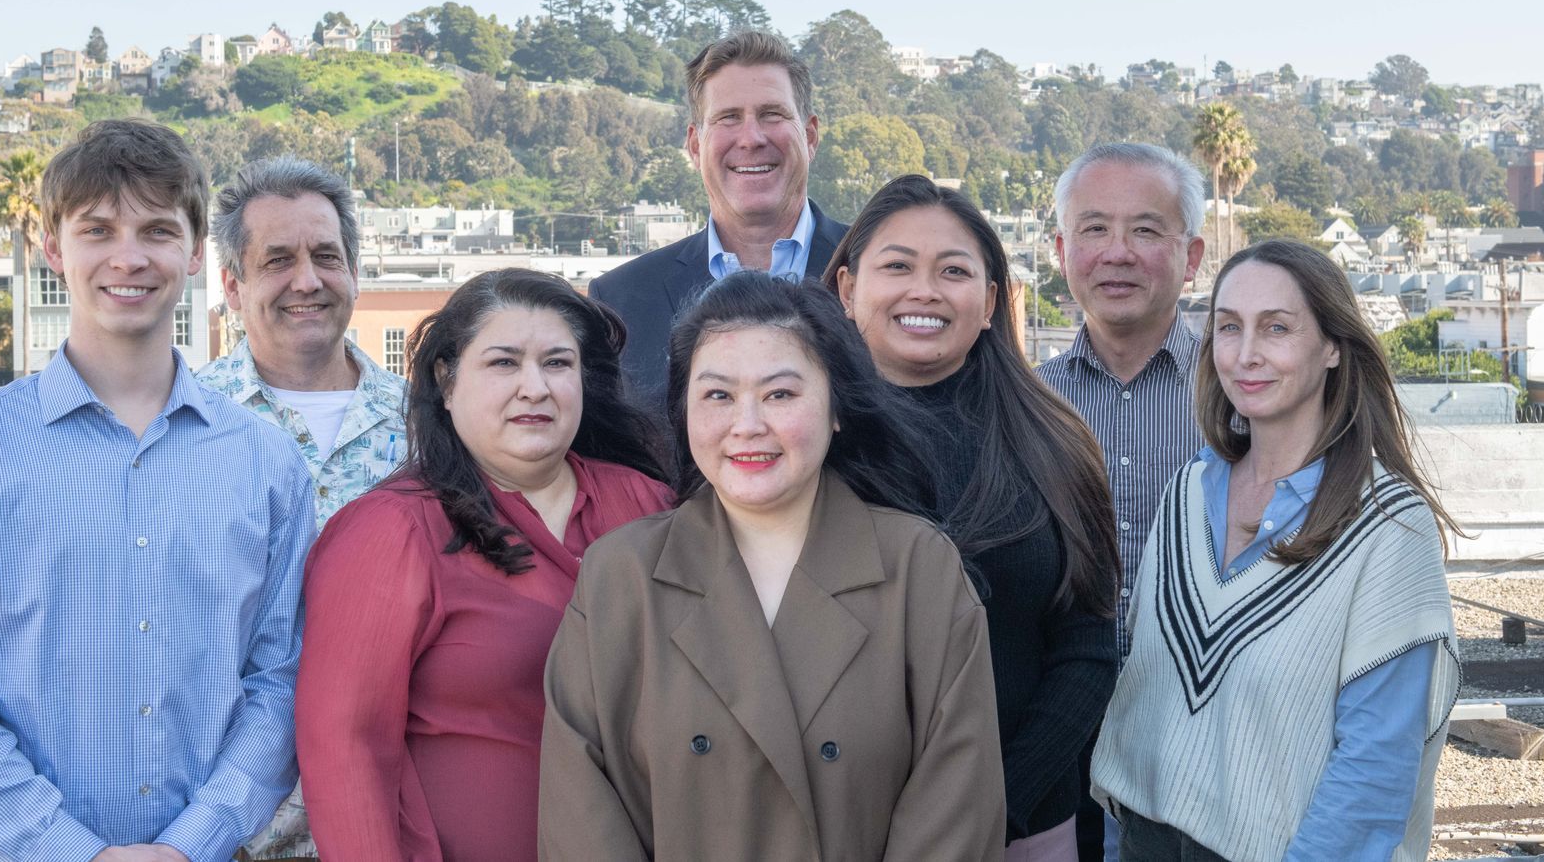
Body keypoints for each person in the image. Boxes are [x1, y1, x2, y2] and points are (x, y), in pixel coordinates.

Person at [0, 119, 315, 862]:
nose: (128, 256)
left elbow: (280, 680)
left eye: (155, 229)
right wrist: (66, 850)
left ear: (192, 251)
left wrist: (192, 842)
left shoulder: (270, 464)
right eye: (98, 229)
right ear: (54, 246)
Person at [539, 271, 1004, 862]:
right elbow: (579, 810)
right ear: (683, 411)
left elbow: (956, 805)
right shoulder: (620, 575)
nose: (747, 424)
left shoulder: (919, 569)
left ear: (837, 408)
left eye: (781, 394)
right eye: (718, 395)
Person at [1092, 239, 1461, 862]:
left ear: (1334, 346)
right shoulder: (1185, 493)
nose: (1246, 354)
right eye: (1229, 327)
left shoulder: (1388, 526)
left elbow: (1373, 770)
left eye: (1278, 328)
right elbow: (1142, 698)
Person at [295, 269, 673, 862]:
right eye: (503, 363)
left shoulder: (648, 506)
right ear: (447, 382)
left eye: (557, 363)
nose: (535, 387)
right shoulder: (391, 532)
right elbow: (345, 751)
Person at [826, 175, 1119, 861]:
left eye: (953, 271)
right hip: (838, 824)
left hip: (1023, 826)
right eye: (897, 265)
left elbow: (1087, 647)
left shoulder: (1055, 439)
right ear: (846, 289)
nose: (924, 290)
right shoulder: (802, 443)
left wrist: (995, 805)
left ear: (989, 302)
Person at [197, 156, 407, 860]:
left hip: (393, 819)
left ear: (354, 270)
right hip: (223, 828)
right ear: (232, 283)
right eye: (277, 260)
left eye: (326, 256)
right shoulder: (182, 428)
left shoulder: (434, 429)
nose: (307, 280)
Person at [1036, 143, 1208, 862]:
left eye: (1145, 230)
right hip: (1061, 732)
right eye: (1094, 229)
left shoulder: (1241, 396)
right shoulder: (1026, 402)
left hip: (1206, 729)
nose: (1117, 253)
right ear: (1060, 248)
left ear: (1192, 254)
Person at [590, 30, 846, 406]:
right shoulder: (620, 301)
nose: (751, 138)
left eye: (771, 114)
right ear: (695, 146)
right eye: (728, 118)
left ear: (810, 137)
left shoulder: (879, 274)